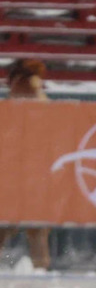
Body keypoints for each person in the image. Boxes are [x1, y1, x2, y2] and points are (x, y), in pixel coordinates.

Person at [0, 59, 51, 271]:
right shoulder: (11, 109)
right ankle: (41, 266)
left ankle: (41, 267)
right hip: (13, 175)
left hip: (32, 176)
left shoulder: (36, 100)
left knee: (36, 228)